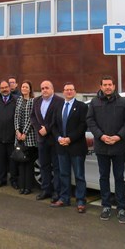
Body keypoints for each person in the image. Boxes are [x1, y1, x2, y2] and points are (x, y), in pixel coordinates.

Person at [86, 75, 125, 223]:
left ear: (114, 86)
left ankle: (121, 208)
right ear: (101, 86)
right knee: (103, 177)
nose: (107, 87)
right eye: (104, 85)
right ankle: (106, 206)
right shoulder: (94, 102)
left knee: (119, 178)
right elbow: (90, 121)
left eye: (110, 84)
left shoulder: (123, 102)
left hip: (118, 146)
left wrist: (119, 136)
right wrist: (101, 136)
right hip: (101, 146)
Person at [52, 82, 88, 211]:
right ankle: (64, 198)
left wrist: (70, 139)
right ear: (63, 91)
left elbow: (83, 126)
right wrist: (59, 138)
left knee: (79, 175)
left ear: (75, 92)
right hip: (61, 146)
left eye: (71, 90)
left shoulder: (82, 107)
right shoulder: (58, 106)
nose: (68, 92)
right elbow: (54, 125)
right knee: (64, 174)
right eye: (66, 90)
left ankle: (80, 201)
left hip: (76, 147)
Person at [30, 80, 63, 202]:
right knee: (44, 165)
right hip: (41, 140)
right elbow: (33, 116)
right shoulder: (36, 101)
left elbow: (58, 118)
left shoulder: (59, 101)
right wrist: (39, 129)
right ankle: (46, 190)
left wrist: (47, 129)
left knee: (56, 167)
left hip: (54, 139)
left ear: (52, 89)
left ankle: (57, 192)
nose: (44, 90)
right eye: (42, 88)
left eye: (47, 88)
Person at [0, 80, 18, 188]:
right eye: (2, 88)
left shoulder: (16, 100)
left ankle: (14, 180)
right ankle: (1, 179)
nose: (4, 89)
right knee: (1, 160)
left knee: (12, 160)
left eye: (6, 87)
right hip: (0, 136)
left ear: (9, 88)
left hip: (12, 136)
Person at [14, 81, 36, 195]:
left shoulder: (33, 101)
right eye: (22, 87)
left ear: (30, 89)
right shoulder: (18, 100)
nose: (24, 88)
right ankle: (22, 185)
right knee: (20, 161)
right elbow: (16, 116)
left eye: (26, 87)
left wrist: (25, 133)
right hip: (18, 135)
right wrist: (17, 130)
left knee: (28, 162)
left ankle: (28, 187)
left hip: (29, 136)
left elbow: (32, 118)